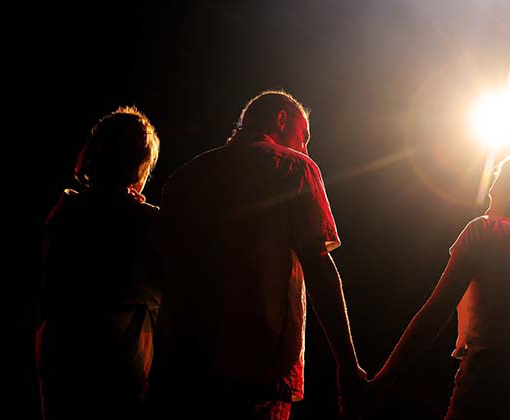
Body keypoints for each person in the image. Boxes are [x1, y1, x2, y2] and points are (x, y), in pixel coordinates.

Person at [151, 90, 366, 419]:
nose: (305, 147)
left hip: (182, 371)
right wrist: (347, 367)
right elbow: (320, 271)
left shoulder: (184, 177)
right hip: (259, 373)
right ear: (281, 119)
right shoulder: (296, 167)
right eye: (303, 135)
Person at [369, 145, 510, 420]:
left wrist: (382, 381)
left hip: (487, 394)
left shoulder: (485, 230)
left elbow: (435, 312)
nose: (489, 196)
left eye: (495, 188)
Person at [36, 106, 162, 420]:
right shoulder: (149, 221)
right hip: (116, 356)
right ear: (142, 163)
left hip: (60, 350)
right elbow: (160, 293)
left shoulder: (64, 210)